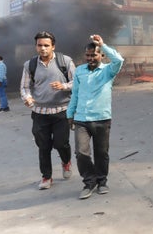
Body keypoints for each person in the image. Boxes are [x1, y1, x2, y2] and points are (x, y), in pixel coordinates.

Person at [66, 34, 124, 199]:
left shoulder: (108, 71)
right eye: (88, 55)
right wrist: (70, 114)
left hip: (102, 119)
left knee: (101, 153)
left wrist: (103, 44)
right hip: (81, 120)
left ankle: (102, 181)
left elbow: (119, 60)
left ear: (101, 55)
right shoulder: (79, 71)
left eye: (94, 55)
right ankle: (89, 182)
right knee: (81, 153)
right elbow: (75, 94)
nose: (90, 58)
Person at [20, 30, 76, 190]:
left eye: (46, 45)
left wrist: (64, 86)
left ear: (53, 46)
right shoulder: (29, 65)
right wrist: (27, 98)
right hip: (40, 113)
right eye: (39, 45)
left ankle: (66, 162)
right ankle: (46, 176)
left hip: (61, 111)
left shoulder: (65, 61)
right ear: (36, 46)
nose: (43, 48)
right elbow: (24, 87)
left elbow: (77, 82)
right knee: (43, 146)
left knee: (61, 143)